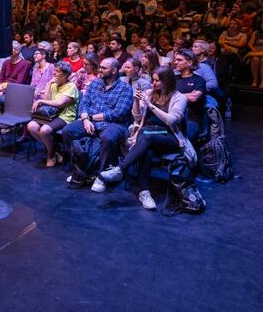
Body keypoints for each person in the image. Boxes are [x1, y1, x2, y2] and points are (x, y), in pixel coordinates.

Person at [97, 66, 190, 211]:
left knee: (147, 138)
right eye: (152, 80)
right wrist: (136, 101)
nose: (153, 84)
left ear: (167, 81)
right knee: (147, 149)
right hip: (147, 134)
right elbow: (137, 117)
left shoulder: (179, 97)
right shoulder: (149, 93)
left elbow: (171, 120)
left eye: (157, 81)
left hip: (169, 137)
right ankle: (144, 192)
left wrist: (150, 105)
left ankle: (120, 169)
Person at [62, 57, 134, 188]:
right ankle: (80, 170)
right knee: (68, 131)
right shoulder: (95, 83)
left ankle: (102, 176)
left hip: (114, 124)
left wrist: (90, 118)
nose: (100, 70)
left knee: (108, 137)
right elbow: (84, 103)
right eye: (100, 67)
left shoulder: (125, 88)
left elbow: (118, 113)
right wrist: (84, 119)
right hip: (89, 121)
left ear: (114, 71)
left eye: (103, 68)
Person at [26, 61, 79, 168]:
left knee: (44, 130)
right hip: (51, 114)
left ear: (65, 74)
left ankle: (50, 155)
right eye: (54, 70)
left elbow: (60, 104)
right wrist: (49, 84)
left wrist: (40, 101)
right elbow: (47, 100)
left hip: (65, 116)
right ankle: (55, 150)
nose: (54, 73)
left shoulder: (71, 86)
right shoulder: (54, 84)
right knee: (31, 126)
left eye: (57, 71)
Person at [173, 49, 207, 140]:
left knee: (180, 138)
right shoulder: (173, 79)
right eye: (175, 59)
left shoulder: (199, 80)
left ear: (189, 63)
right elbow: (165, 95)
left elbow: (193, 98)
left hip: (191, 119)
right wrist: (185, 95)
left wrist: (174, 95)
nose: (175, 62)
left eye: (179, 60)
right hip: (172, 115)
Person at [0, 41, 30, 106]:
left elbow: (19, 83)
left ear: (17, 51)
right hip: (2, 87)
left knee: (1, 98)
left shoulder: (24, 64)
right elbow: (0, 78)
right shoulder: (6, 62)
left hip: (15, 90)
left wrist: (3, 92)